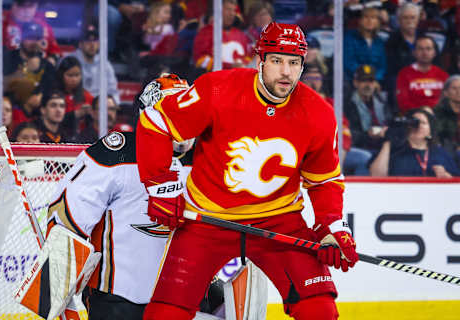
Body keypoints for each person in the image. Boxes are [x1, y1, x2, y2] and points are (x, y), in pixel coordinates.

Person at [136, 22, 359, 320]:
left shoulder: (319, 113)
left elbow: (325, 180)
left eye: (294, 63)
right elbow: (156, 122)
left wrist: (332, 226)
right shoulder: (218, 88)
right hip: (207, 220)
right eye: (277, 60)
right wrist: (161, 186)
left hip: (278, 222)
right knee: (166, 313)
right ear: (260, 61)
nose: (285, 72)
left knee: (319, 309)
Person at [41, 75, 209, 320]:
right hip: (119, 301)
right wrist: (56, 289)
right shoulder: (115, 154)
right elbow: (67, 215)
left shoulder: (207, 160)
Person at [369, 108, 460, 177]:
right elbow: (376, 176)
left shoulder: (440, 153)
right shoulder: (393, 151)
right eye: (414, 122)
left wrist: (445, 176)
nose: (418, 126)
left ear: (431, 131)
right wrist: (388, 141)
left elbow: (455, 183)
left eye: (423, 123)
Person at [4, 21, 56, 126]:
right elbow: (0, 86)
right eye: (30, 38)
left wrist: (42, 98)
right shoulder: (7, 58)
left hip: (38, 119)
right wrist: (26, 70)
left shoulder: (47, 66)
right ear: (22, 38)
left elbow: (52, 91)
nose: (33, 42)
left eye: (37, 39)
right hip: (11, 114)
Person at [67, 24, 120, 105]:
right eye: (88, 40)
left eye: (95, 40)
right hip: (76, 105)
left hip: (99, 108)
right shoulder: (70, 60)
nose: (92, 44)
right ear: (80, 44)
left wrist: (111, 104)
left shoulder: (105, 64)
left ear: (98, 44)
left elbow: (113, 91)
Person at [396, 35, 449, 114]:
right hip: (414, 117)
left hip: (439, 116)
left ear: (434, 53)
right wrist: (422, 111)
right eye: (420, 49)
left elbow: (448, 101)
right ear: (414, 52)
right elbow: (403, 103)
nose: (425, 52)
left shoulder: (443, 75)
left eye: (428, 49)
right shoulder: (404, 74)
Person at [193, 0, 250, 71]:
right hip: (215, 79)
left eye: (233, 10)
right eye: (228, 9)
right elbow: (200, 61)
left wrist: (243, 65)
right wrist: (229, 66)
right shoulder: (206, 32)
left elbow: (247, 58)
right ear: (218, 10)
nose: (232, 14)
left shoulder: (241, 35)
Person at [343, 6, 386, 83]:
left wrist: (374, 79)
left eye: (373, 18)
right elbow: (349, 63)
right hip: (354, 80)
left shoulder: (379, 42)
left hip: (374, 82)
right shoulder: (349, 38)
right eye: (366, 17)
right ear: (360, 20)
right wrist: (364, 78)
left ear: (378, 22)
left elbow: (382, 67)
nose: (369, 21)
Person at [434, 75, 460, 167]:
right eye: (454, 88)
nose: (458, 92)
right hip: (446, 150)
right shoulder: (438, 112)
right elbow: (439, 135)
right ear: (446, 92)